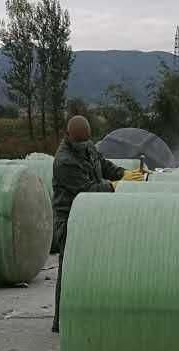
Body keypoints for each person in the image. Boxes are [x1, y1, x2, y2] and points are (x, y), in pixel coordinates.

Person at [51, 115, 140, 332]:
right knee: (69, 269)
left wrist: (124, 174)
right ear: (68, 136)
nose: (83, 144)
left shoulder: (88, 147)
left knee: (92, 267)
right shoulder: (64, 161)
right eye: (79, 141)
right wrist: (115, 186)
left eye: (86, 140)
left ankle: (88, 313)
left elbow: (104, 165)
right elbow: (87, 189)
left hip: (91, 214)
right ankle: (61, 321)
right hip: (70, 219)